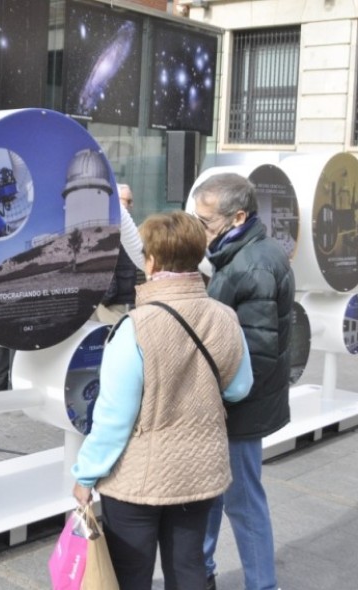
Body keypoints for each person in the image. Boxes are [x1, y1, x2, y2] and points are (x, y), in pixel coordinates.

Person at [72, 210, 254, 590]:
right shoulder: (225, 317)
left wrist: (85, 475)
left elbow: (114, 416)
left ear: (151, 262)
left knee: (131, 574)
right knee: (188, 568)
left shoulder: (135, 327)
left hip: (140, 479)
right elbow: (239, 388)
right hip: (200, 469)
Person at [192, 173, 295, 590]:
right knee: (214, 494)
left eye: (205, 222)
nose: (200, 231)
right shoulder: (241, 251)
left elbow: (257, 352)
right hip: (235, 402)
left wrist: (216, 396)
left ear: (237, 217)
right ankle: (201, 573)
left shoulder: (252, 263)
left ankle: (262, 584)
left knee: (242, 501)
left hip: (240, 406)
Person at [95, 183, 139, 324]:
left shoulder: (113, 231)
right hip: (118, 307)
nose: (131, 205)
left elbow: (109, 283)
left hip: (113, 307)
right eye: (128, 200)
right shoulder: (117, 231)